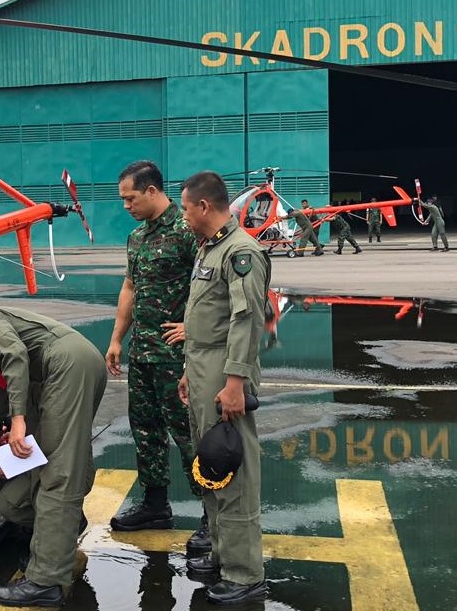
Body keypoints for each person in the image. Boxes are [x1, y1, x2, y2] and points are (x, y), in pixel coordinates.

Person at [0, 290, 107, 608]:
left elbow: (15, 358)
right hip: (71, 365)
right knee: (54, 461)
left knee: (57, 470)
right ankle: (60, 534)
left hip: (67, 368)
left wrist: (17, 422)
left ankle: (46, 582)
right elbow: (6, 386)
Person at [104, 161, 208, 553]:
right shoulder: (137, 237)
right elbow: (130, 287)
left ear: (151, 191)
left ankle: (212, 514)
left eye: (130, 198)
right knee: (145, 430)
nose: (126, 205)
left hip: (177, 357)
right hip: (144, 353)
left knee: (188, 433)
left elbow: (210, 285)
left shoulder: (187, 230)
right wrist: (117, 339)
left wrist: (192, 326)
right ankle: (155, 505)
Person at [177, 171, 269, 605]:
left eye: (185, 209)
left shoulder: (240, 251)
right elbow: (205, 317)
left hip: (225, 369)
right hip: (202, 366)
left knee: (234, 473)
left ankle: (244, 572)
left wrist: (234, 383)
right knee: (211, 465)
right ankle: (221, 553)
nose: (183, 216)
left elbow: (245, 320)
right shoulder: (211, 248)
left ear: (204, 206)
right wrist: (188, 371)